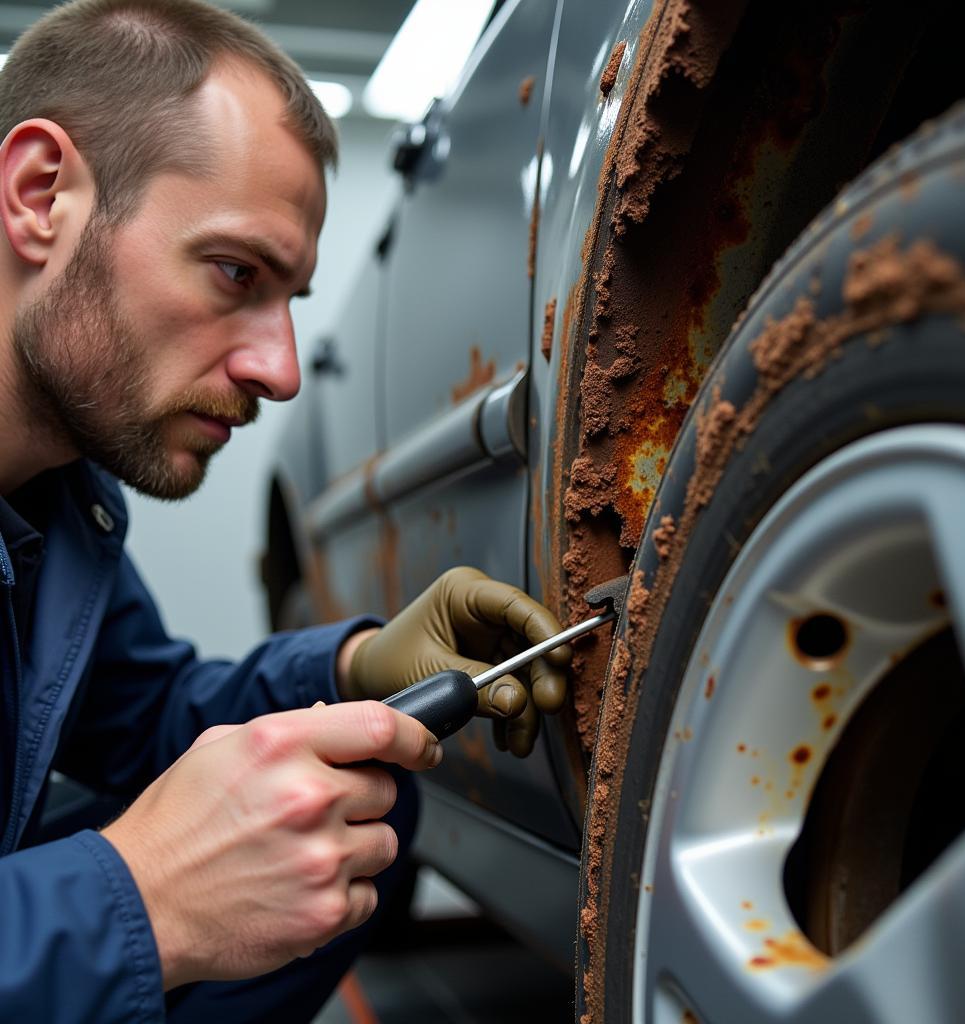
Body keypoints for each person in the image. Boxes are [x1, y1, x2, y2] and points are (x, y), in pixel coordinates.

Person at [0, 1, 570, 1020]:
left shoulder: (58, 510)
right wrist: (144, 897)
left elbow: (145, 720)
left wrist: (352, 665)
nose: (283, 371)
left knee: (347, 824)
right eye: (235, 272)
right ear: (41, 196)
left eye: (291, 300)